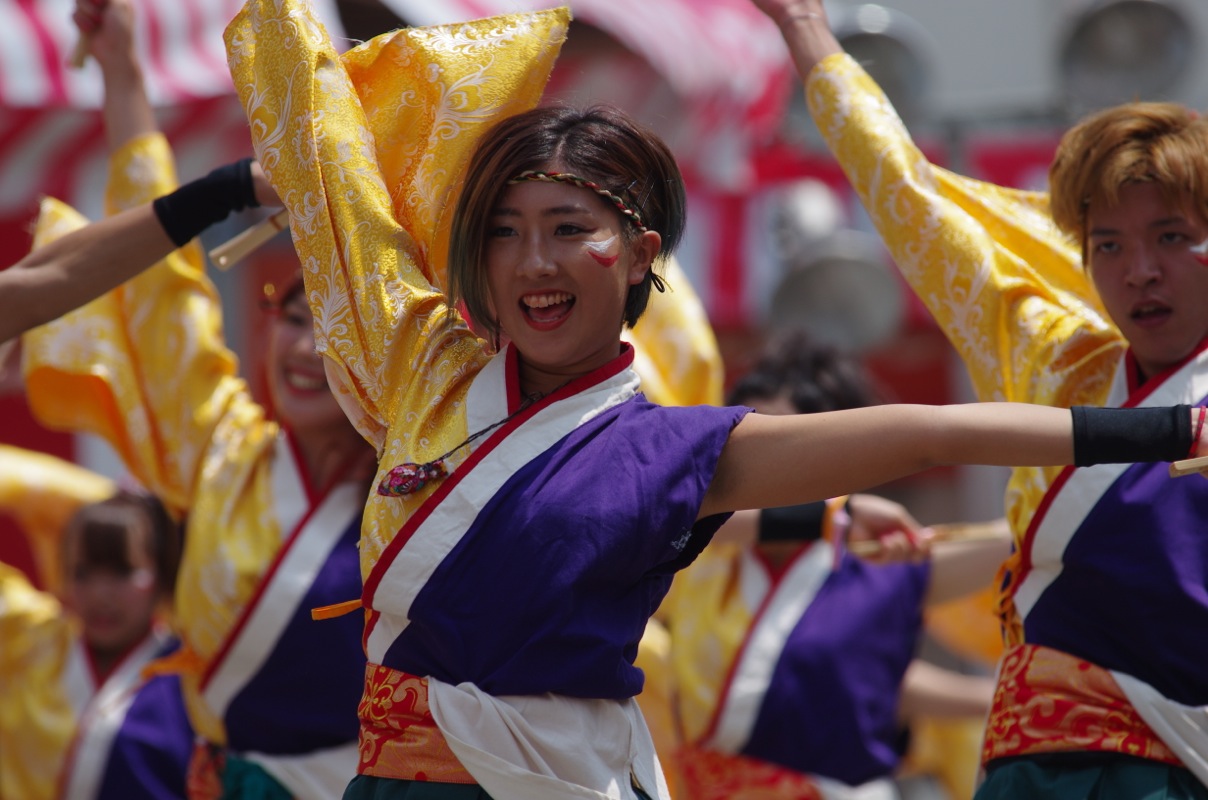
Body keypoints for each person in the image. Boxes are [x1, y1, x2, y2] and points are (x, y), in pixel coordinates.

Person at [220, 2, 1208, 798]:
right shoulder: (418, 363)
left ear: (642, 251)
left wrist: (1174, 428)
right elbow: (333, 168)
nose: (533, 261)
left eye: (568, 227)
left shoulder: (668, 451)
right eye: (504, 231)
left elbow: (920, 431)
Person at [750, 0, 1208, 797]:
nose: (1138, 270)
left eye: (1170, 237)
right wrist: (803, 27)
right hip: (1025, 763)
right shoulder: (1054, 358)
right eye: (1109, 244)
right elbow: (906, 193)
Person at [19, 1, 376, 797]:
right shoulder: (222, 448)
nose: (309, 348)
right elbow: (159, 288)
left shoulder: (423, 474)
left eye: (339, 325)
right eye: (292, 317)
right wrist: (123, 73)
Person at [661, 331, 999, 800]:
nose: (761, 467)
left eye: (784, 447)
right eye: (746, 446)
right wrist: (833, 515)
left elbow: (864, 680)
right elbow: (677, 510)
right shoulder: (698, 549)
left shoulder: (881, 563)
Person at [0, 444, 193, 800]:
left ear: (161, 574)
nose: (100, 594)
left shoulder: (193, 677)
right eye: (82, 573)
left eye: (122, 571)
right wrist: (104, 499)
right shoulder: (27, 639)